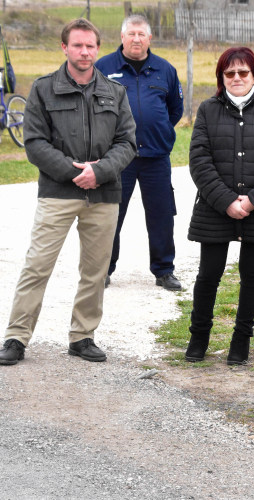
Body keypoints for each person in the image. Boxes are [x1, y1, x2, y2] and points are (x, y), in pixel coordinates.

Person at [0, 19, 136, 365]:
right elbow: (34, 143)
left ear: (97, 48)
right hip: (57, 193)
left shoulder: (114, 92)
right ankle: (16, 337)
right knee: (37, 265)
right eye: (77, 45)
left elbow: (127, 143)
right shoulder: (44, 90)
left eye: (90, 45)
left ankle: (82, 336)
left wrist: (99, 171)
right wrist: (74, 173)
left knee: (95, 271)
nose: (85, 52)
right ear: (64, 48)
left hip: (103, 194)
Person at [184, 47, 254, 366]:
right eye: (229, 73)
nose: (236, 78)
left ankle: (241, 339)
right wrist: (226, 200)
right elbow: (199, 160)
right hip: (215, 210)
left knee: (252, 276)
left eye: (243, 72)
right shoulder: (207, 110)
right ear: (221, 78)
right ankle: (199, 335)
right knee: (208, 274)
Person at [95, 14, 184, 291]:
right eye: (131, 34)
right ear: (122, 37)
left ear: (149, 38)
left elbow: (175, 109)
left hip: (156, 157)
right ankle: (103, 270)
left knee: (161, 215)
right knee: (110, 215)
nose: (136, 39)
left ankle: (164, 270)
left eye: (141, 34)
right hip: (117, 158)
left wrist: (155, 129)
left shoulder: (165, 69)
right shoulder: (103, 67)